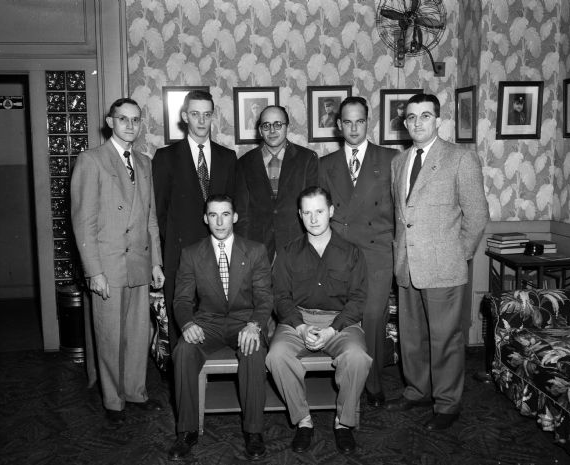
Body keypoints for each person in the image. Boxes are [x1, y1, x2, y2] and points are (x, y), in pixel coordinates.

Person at [388, 93, 488, 431]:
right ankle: (417, 390)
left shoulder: (460, 158)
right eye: (412, 117)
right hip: (406, 264)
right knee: (411, 337)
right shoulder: (398, 162)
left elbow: (477, 214)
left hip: (444, 266)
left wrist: (458, 254)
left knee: (445, 338)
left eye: (425, 116)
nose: (417, 123)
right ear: (405, 123)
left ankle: (447, 405)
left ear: (438, 120)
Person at [70, 97, 165, 425]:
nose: (129, 125)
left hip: (139, 262)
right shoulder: (91, 160)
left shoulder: (144, 162)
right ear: (110, 122)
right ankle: (113, 401)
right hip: (108, 266)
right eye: (122, 119)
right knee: (109, 334)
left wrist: (156, 262)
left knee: (138, 333)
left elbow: (150, 216)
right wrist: (93, 270)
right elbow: (83, 223)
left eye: (135, 120)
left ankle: (136, 392)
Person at [265, 186, 370, 455]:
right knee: (276, 356)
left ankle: (343, 424)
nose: (314, 219)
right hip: (297, 319)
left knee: (357, 357)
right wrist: (300, 326)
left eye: (320, 211)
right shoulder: (287, 252)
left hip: (340, 322)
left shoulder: (352, 252)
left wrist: (333, 330)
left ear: (331, 211)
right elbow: (280, 297)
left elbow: (358, 300)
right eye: (307, 213)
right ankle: (303, 420)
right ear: (300, 215)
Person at [168, 194, 273, 461]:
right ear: (205, 219)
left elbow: (265, 298)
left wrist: (254, 325)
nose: (219, 221)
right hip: (208, 322)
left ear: (234, 217)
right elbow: (181, 299)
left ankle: (253, 432)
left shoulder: (256, 250)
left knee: (253, 350)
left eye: (225, 214)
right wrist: (188, 323)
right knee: (183, 351)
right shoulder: (191, 254)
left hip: (244, 321)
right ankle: (187, 431)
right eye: (213, 215)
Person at [318, 96, 398, 408]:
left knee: (373, 317)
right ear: (339, 125)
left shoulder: (391, 159)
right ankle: (344, 378)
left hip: (378, 252)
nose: (354, 128)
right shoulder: (325, 164)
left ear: (369, 122)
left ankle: (373, 382)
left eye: (360, 121)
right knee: (344, 315)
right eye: (347, 122)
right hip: (341, 253)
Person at [152, 90, 236, 353]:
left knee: (217, 324)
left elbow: (234, 209)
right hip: (180, 256)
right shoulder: (165, 157)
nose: (201, 121)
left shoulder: (227, 157)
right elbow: (158, 212)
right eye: (195, 114)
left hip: (219, 254)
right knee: (183, 330)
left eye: (207, 114)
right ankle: (186, 389)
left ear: (213, 117)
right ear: (185, 115)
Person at [235, 105, 319, 262]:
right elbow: (242, 214)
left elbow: (314, 209)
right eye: (266, 126)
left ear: (287, 127)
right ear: (260, 130)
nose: (272, 131)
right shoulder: (244, 163)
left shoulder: (307, 159)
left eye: (278, 124)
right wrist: (245, 251)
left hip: (297, 246)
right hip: (257, 248)